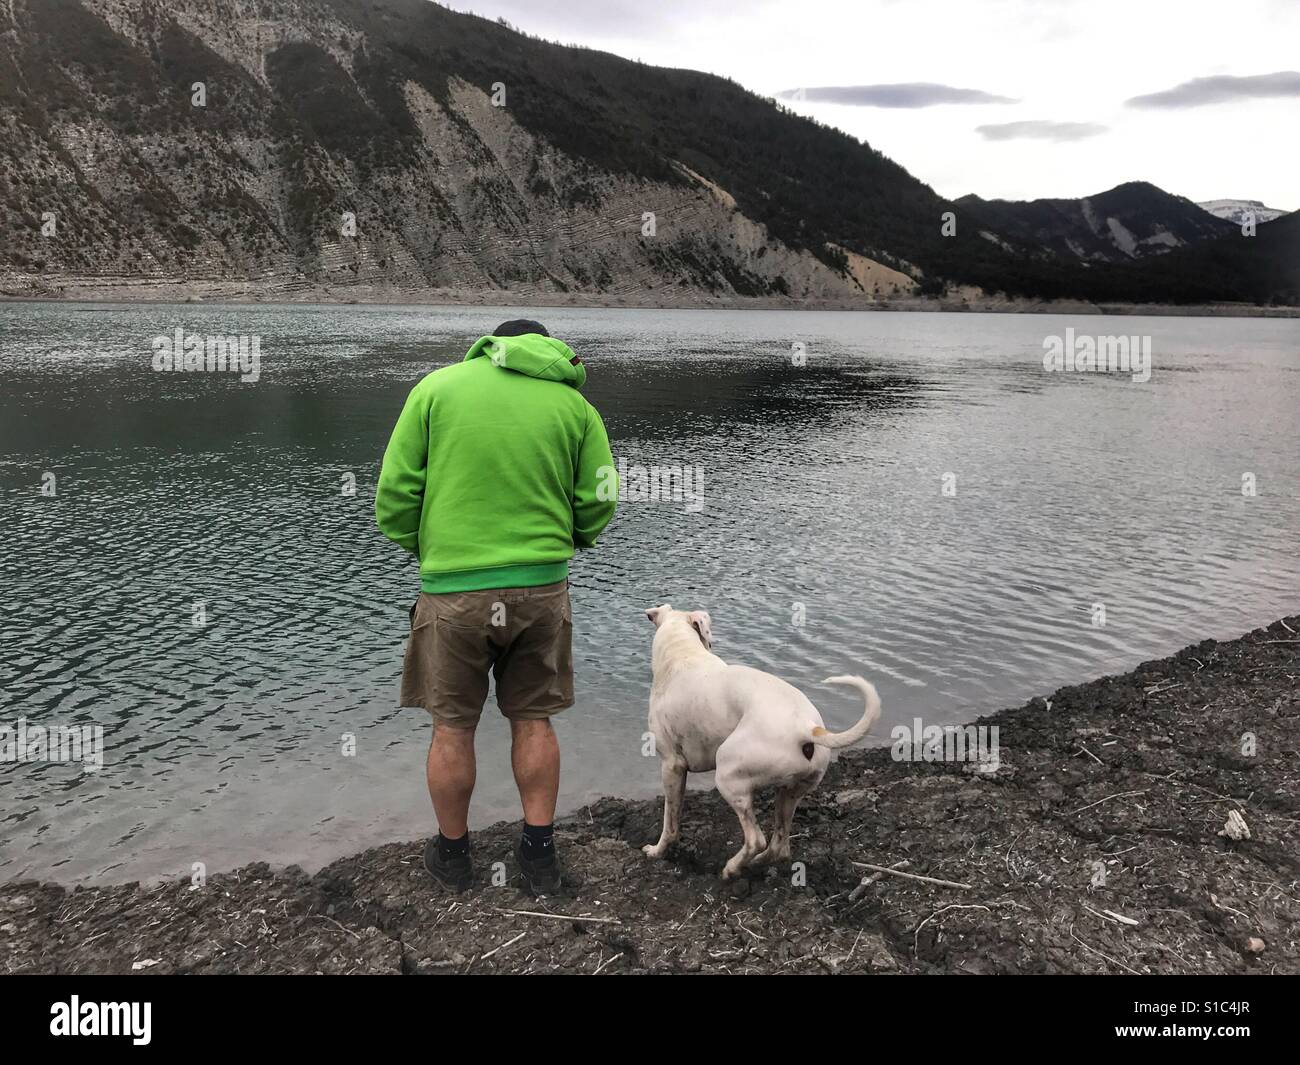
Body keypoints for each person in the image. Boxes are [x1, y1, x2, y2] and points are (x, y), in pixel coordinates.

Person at [376, 320, 617, 895]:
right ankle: (538, 859)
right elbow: (600, 497)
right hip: (541, 590)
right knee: (534, 720)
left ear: (489, 346)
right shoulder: (576, 407)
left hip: (453, 592)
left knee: (451, 727)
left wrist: (430, 551)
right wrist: (572, 542)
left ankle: (454, 858)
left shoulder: (436, 389)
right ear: (549, 350)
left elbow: (395, 492)